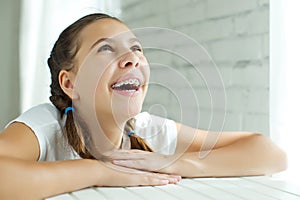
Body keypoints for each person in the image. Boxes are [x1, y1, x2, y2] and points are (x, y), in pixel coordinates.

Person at [0, 13, 287, 200]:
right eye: (105, 48)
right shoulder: (47, 125)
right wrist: (99, 171)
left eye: (136, 48)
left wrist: (177, 162)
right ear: (70, 84)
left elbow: (269, 153)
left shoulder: (148, 130)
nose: (133, 59)